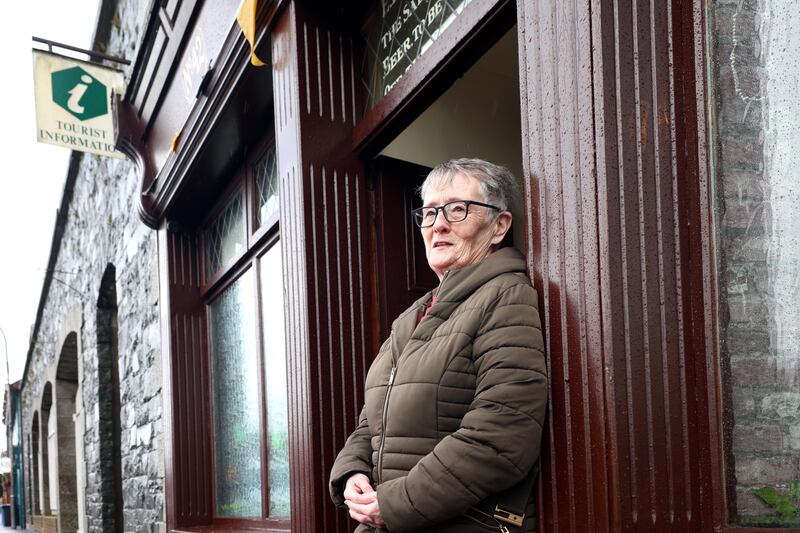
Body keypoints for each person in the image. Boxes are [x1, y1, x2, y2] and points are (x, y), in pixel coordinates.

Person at [329, 158, 548, 532]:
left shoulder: (507, 296)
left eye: (457, 209)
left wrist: (394, 504)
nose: (438, 224)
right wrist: (352, 472)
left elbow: (500, 436)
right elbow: (372, 421)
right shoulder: (411, 317)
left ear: (499, 226)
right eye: (429, 213)